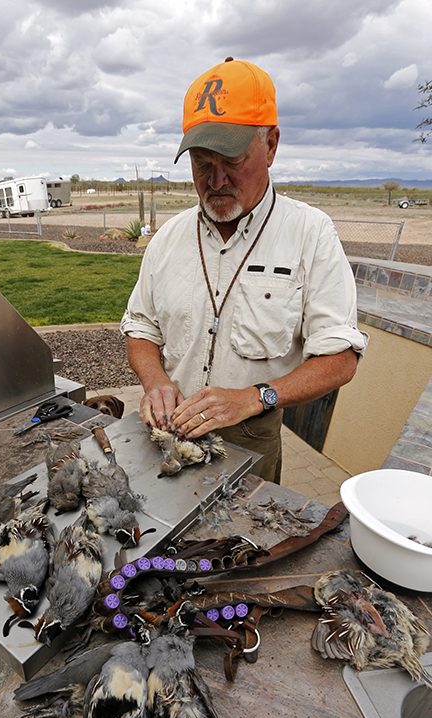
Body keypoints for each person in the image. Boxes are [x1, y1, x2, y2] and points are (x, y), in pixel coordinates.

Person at [120, 58, 368, 482]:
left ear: (270, 145)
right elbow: (141, 328)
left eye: (231, 161)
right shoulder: (168, 238)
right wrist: (156, 380)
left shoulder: (310, 233)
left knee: (242, 548)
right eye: (201, 163)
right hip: (169, 434)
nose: (215, 181)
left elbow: (340, 358)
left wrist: (255, 397)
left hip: (252, 441)